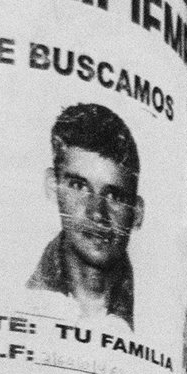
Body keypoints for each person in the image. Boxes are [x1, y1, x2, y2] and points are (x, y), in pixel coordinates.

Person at [27, 102, 144, 328]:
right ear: (53, 186)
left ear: (137, 213)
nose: (97, 213)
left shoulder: (157, 312)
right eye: (79, 187)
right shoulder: (20, 301)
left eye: (115, 196)